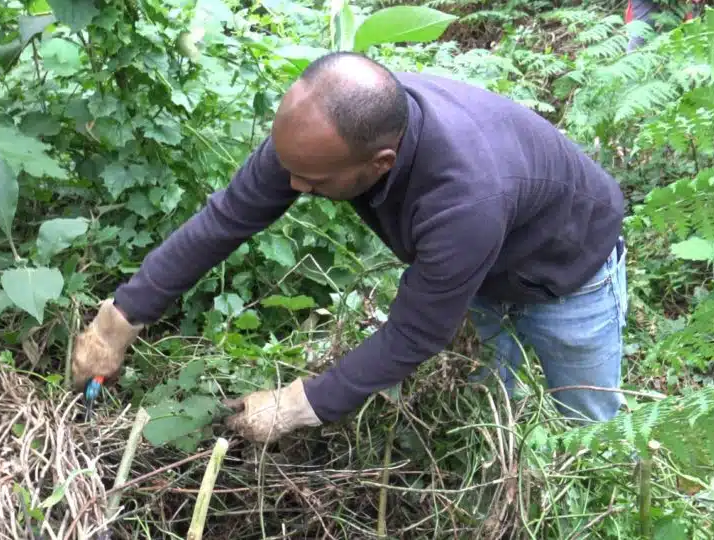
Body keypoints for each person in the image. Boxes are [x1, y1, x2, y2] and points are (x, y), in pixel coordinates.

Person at [71, 52, 628, 444]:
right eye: (288, 168)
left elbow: (415, 333)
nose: (294, 187)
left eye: (311, 179)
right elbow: (226, 220)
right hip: (474, 271)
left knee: (587, 422)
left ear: (380, 164)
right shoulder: (322, 135)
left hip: (566, 274)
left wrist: (293, 406)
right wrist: (114, 323)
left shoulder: (463, 199)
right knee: (488, 408)